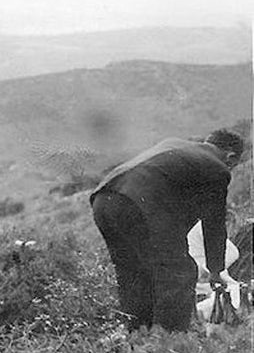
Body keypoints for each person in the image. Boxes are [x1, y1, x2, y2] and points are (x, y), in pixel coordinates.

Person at [90, 129, 245, 331]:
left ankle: (139, 339)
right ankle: (170, 342)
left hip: (103, 200)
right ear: (230, 157)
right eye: (233, 165)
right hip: (138, 203)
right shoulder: (217, 168)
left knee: (134, 274)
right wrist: (216, 270)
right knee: (179, 273)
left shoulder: (178, 147)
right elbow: (213, 224)